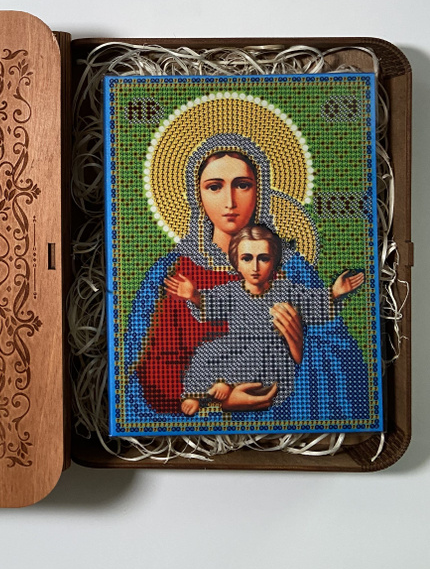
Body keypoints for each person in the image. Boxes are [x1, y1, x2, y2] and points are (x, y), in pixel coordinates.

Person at [123, 131, 370, 426]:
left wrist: (300, 346)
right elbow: (145, 369)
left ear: (259, 191)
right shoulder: (172, 273)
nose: (230, 201)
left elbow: (346, 366)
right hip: (192, 418)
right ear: (197, 195)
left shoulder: (292, 270)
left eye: (242, 185)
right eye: (214, 187)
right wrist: (221, 403)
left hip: (278, 402)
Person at [169, 225, 365, 415]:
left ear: (274, 261)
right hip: (236, 345)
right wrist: (194, 295)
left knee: (259, 366)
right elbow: (211, 304)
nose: (255, 267)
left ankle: (225, 386)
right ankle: (197, 394)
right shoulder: (232, 292)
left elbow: (311, 304)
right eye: (247, 258)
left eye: (263, 258)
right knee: (205, 352)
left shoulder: (285, 290)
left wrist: (334, 293)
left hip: (272, 353)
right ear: (236, 262)